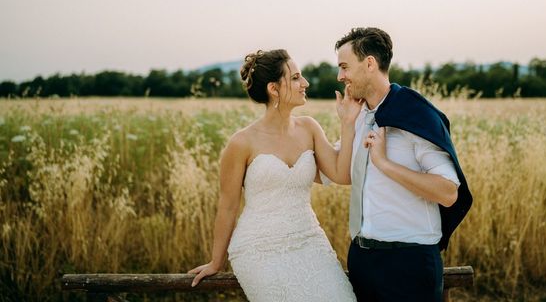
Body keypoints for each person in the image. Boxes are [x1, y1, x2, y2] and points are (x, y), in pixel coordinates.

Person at [189, 49, 358, 301]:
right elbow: (227, 206)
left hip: (309, 241)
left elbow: (342, 175)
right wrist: (216, 261)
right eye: (296, 78)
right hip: (258, 249)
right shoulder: (241, 143)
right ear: (274, 89)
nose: (305, 84)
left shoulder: (309, 128)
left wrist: (347, 123)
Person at [335, 27, 473, 302]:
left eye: (344, 66)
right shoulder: (359, 115)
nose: (340, 77)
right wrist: (346, 125)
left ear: (370, 64)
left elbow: (448, 193)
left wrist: (385, 165)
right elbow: (339, 171)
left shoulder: (416, 114)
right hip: (362, 259)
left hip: (408, 263)